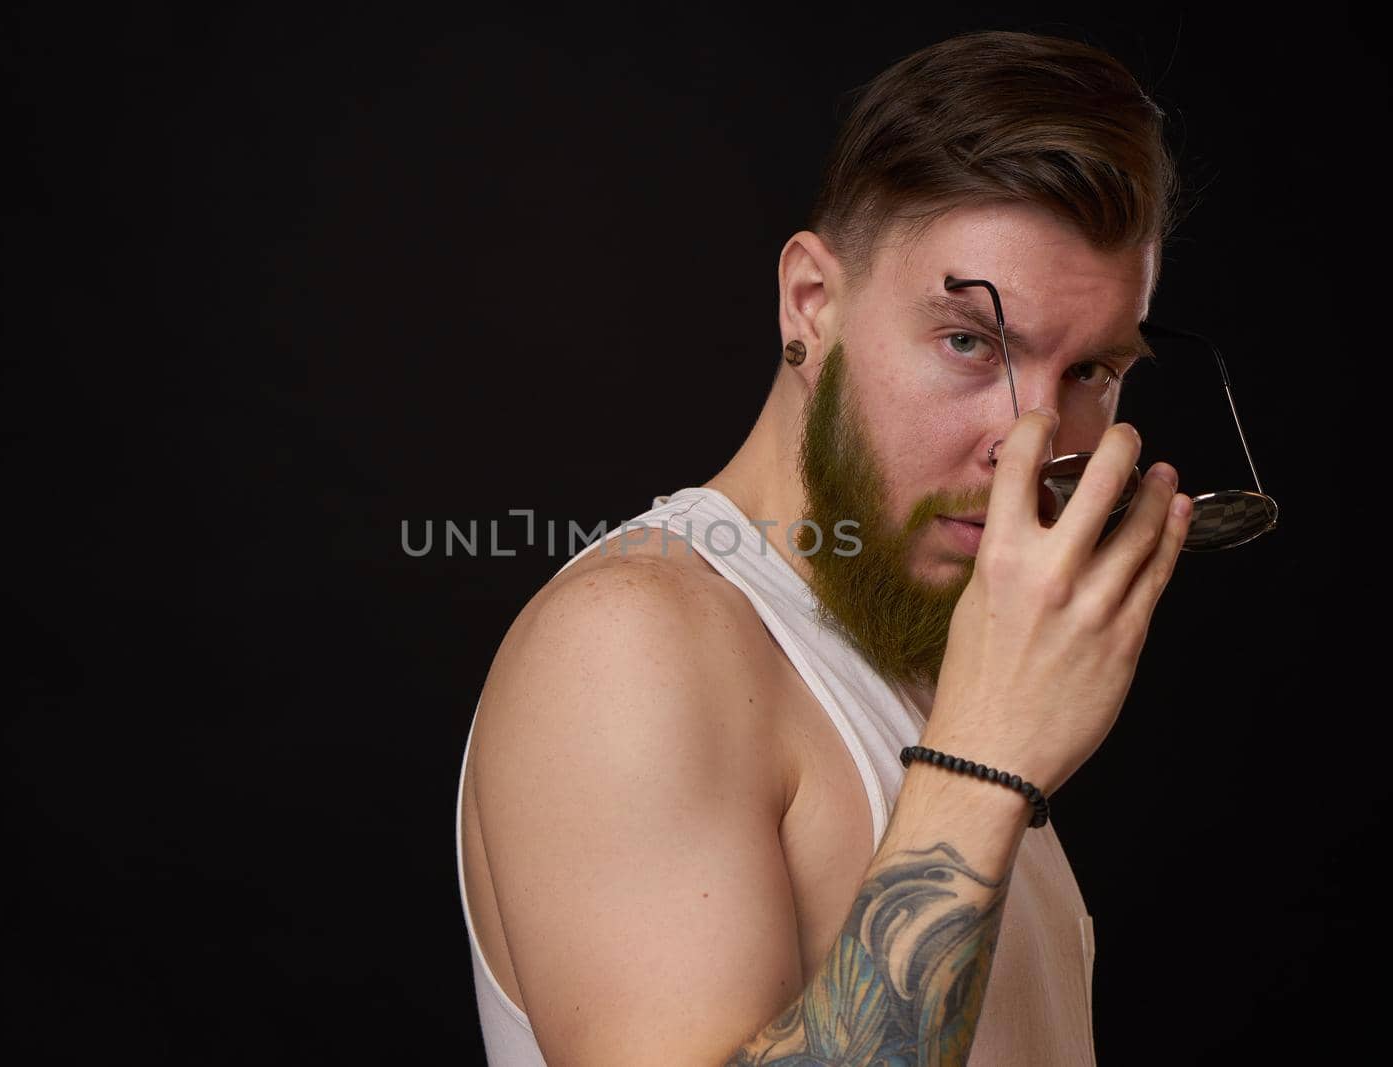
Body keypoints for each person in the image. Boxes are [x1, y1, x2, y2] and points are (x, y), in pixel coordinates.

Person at [455, 28, 1193, 1066]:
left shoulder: (936, 668)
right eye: (970, 343)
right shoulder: (632, 641)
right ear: (811, 302)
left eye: (1092, 372)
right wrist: (985, 766)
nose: (1031, 442)